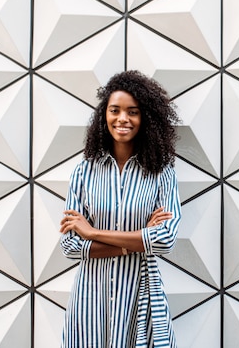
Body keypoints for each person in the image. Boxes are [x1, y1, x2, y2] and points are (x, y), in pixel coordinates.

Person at [59, 70, 181, 348]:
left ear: (145, 118)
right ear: (105, 115)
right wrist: (138, 240)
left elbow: (165, 240)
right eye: (115, 110)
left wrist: (92, 233)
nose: (122, 118)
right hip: (91, 299)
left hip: (140, 295)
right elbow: (69, 246)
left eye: (133, 112)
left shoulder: (161, 173)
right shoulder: (84, 172)